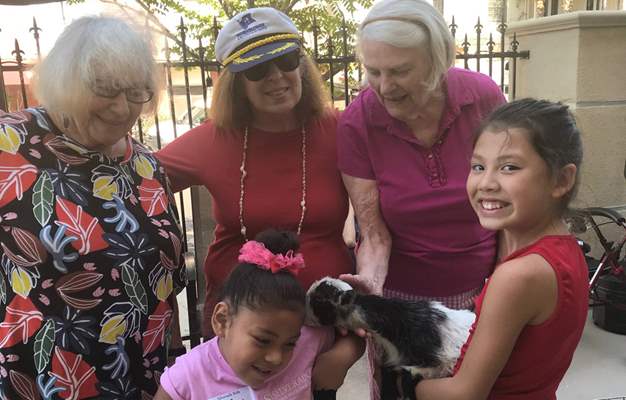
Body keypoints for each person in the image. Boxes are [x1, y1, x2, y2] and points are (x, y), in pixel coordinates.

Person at [0, 16, 186, 398]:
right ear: (66, 81)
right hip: (44, 381)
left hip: (148, 379)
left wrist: (177, 362)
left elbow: (168, 283)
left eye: (136, 92)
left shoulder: (147, 166)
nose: (122, 109)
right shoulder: (9, 146)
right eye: (106, 89)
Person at [156, 7, 353, 336]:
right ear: (237, 82)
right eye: (257, 69)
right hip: (237, 327)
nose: (276, 76)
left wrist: (347, 350)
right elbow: (134, 177)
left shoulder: (339, 130)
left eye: (287, 61)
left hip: (322, 324)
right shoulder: (215, 139)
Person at [413, 98, 588, 399]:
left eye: (509, 167)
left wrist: (412, 387)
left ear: (561, 180)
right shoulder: (567, 251)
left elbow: (464, 393)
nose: (486, 183)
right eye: (478, 166)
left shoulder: (518, 275)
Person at [337, 0, 506, 308]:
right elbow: (374, 234)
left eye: (399, 71)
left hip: (486, 292)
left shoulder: (483, 98)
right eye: (373, 71)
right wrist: (370, 283)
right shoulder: (356, 123)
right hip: (400, 301)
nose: (385, 87)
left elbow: (511, 204)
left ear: (436, 60)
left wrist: (508, 285)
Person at [154, 229, 364, 400]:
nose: (276, 357)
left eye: (289, 344)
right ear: (222, 320)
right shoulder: (189, 376)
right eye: (263, 340)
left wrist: (343, 355)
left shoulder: (307, 341)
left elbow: (361, 335)